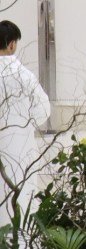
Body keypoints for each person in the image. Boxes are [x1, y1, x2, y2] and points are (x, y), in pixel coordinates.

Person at [0, 20, 51, 228]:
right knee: (20, 195)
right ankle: (20, 242)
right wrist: (26, 123)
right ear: (12, 44)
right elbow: (44, 108)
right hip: (20, 147)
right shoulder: (24, 75)